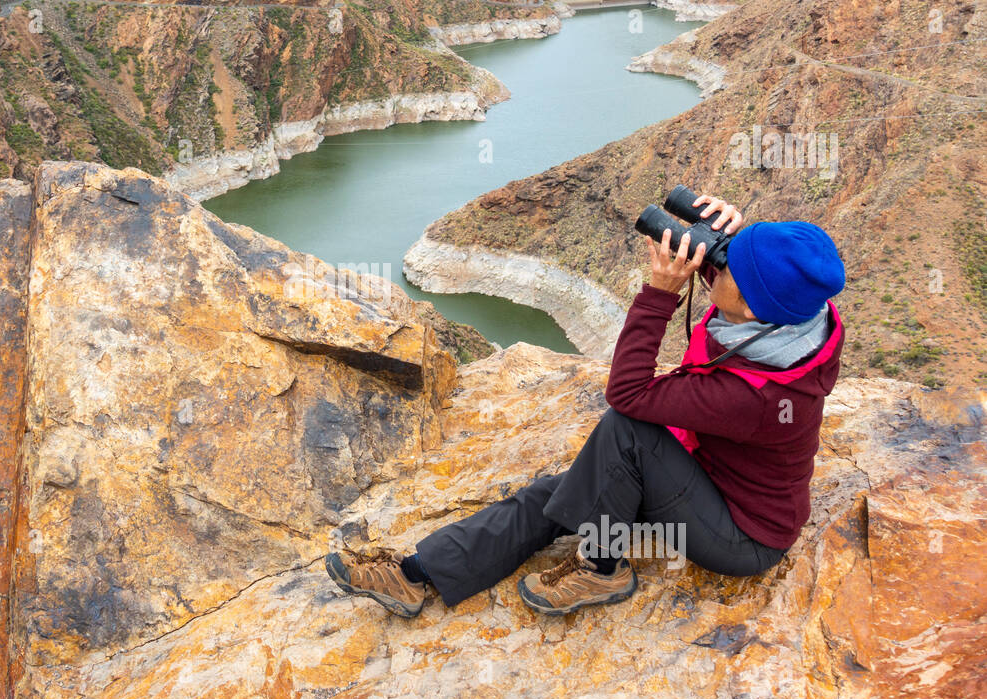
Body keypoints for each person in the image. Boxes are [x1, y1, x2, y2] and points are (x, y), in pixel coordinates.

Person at [325, 194, 847, 618]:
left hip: (740, 536)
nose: (715, 271)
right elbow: (769, 287)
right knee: (553, 496)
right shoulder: (798, 324)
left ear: (755, 309)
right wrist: (740, 242)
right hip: (701, 475)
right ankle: (416, 575)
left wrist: (660, 293)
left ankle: (602, 570)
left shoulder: (758, 399)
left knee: (627, 431)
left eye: (729, 270)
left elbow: (628, 395)